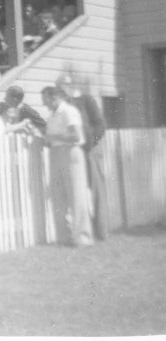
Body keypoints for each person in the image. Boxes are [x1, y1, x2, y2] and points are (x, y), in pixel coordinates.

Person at [56, 74, 108, 241]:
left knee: (96, 190)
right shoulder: (63, 105)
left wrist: (89, 143)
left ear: (70, 86)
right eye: (59, 86)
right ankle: (84, 231)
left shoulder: (86, 100)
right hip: (74, 152)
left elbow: (100, 124)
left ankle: (101, 230)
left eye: (64, 85)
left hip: (90, 149)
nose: (61, 89)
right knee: (77, 192)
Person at [42, 86, 93, 247]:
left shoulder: (68, 111)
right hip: (56, 154)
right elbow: (51, 138)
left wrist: (51, 136)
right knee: (59, 198)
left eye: (46, 100)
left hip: (71, 153)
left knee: (76, 197)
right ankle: (64, 238)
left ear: (54, 98)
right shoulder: (52, 116)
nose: (44, 104)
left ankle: (82, 238)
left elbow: (76, 136)